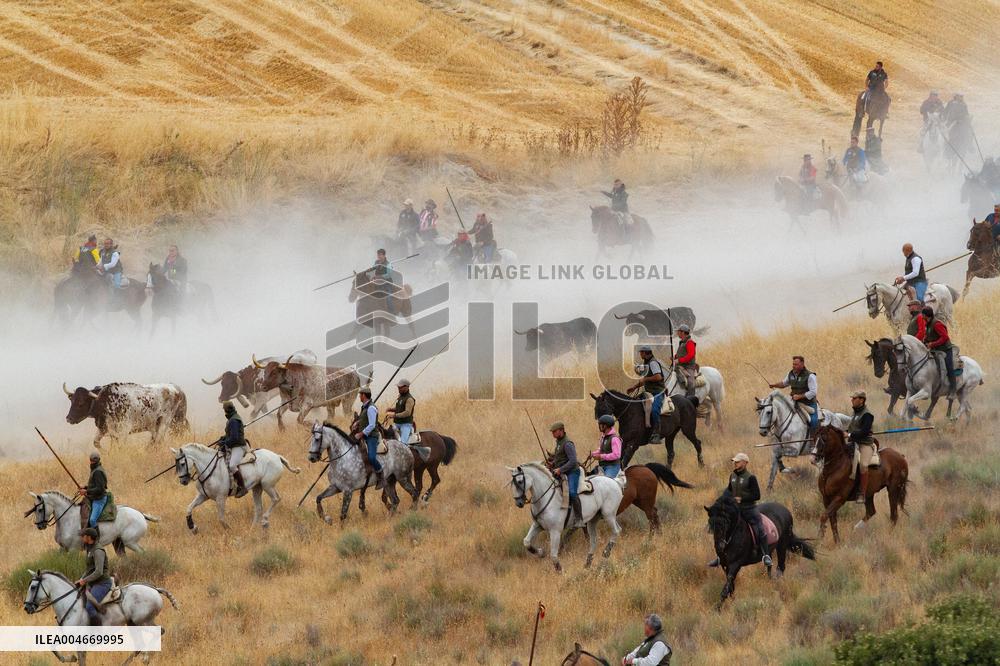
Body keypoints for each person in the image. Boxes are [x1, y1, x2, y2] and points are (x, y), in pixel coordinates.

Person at [708, 453, 772, 568]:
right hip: (735, 509)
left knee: (760, 528)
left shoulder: (751, 478)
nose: (735, 463)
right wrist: (720, 500)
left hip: (749, 509)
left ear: (745, 463)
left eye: (737, 461)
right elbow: (729, 490)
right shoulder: (732, 475)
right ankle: (720, 557)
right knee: (723, 528)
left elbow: (757, 495)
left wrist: (742, 499)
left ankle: (766, 555)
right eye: (734, 461)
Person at [769, 355, 818, 473]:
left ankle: (813, 443)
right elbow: (784, 383)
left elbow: (813, 392)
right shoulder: (791, 374)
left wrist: (799, 396)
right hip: (794, 402)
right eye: (793, 364)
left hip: (808, 404)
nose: (794, 366)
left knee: (814, 421)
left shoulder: (810, 376)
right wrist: (774, 385)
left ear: (802, 364)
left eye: (796, 364)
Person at [628, 345, 667, 444]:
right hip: (649, 392)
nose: (640, 354)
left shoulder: (653, 363)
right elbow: (645, 380)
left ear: (646, 353)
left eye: (641, 352)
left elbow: (658, 377)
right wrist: (634, 387)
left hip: (658, 392)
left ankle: (657, 434)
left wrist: (646, 379)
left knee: (654, 410)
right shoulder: (646, 363)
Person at [916, 306, 957, 400]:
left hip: (945, 350)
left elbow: (945, 337)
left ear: (926, 315)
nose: (921, 316)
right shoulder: (928, 323)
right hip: (935, 349)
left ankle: (953, 390)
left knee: (949, 367)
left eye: (923, 314)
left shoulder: (937, 324)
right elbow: (928, 335)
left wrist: (933, 344)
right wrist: (925, 341)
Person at [548, 422, 583, 528]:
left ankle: (579, 519)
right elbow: (560, 458)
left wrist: (560, 469)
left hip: (572, 472)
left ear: (561, 430)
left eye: (554, 432)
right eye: (552, 432)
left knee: (572, 493)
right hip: (563, 471)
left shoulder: (567, 443)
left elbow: (573, 461)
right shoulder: (559, 442)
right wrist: (553, 464)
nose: (553, 434)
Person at [76, 527, 112, 624]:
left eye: (83, 536)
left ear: (89, 537)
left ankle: (98, 632)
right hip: (93, 583)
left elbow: (98, 571)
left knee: (89, 607)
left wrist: (85, 580)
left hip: (102, 583)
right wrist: (81, 579)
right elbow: (89, 569)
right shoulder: (90, 548)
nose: (81, 538)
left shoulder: (97, 551)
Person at [847, 391, 876, 504]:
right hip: (853, 443)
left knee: (863, 465)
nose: (852, 400)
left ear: (861, 400)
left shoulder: (867, 414)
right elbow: (851, 429)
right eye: (852, 398)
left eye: (854, 398)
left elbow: (864, 431)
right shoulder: (855, 413)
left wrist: (849, 435)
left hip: (865, 444)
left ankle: (862, 493)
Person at [354, 387, 385, 489]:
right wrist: (357, 422)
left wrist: (361, 433)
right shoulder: (365, 406)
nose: (359, 396)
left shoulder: (371, 408)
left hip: (371, 436)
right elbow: (364, 418)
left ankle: (381, 477)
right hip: (365, 435)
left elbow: (372, 425)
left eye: (360, 395)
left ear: (364, 395)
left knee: (371, 457)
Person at [218, 401, 248, 498]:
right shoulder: (232, 418)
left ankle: (242, 487)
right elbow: (230, 435)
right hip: (234, 445)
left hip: (239, 446)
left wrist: (225, 442)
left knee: (232, 466)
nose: (225, 411)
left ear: (226, 410)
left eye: (225, 409)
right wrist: (223, 438)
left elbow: (234, 437)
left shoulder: (234, 420)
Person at [77, 451, 109, 531]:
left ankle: (96, 540)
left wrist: (86, 491)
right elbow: (94, 485)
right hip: (94, 497)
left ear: (97, 461)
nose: (92, 462)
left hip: (99, 499)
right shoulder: (95, 469)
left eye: (93, 461)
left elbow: (100, 488)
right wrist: (85, 487)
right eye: (91, 460)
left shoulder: (98, 471)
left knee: (92, 520)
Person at [672, 325, 698, 404]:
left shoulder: (689, 342)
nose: (677, 333)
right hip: (681, 366)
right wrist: (674, 357)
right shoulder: (682, 342)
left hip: (688, 367)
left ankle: (691, 400)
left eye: (678, 331)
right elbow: (682, 353)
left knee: (691, 382)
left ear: (683, 332)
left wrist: (679, 360)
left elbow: (690, 355)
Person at [386, 378, 415, 444]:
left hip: (405, 425)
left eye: (400, 387)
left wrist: (394, 415)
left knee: (402, 444)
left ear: (406, 387)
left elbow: (407, 412)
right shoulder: (400, 397)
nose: (399, 389)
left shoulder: (409, 399)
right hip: (397, 423)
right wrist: (391, 409)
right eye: (398, 387)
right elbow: (400, 408)